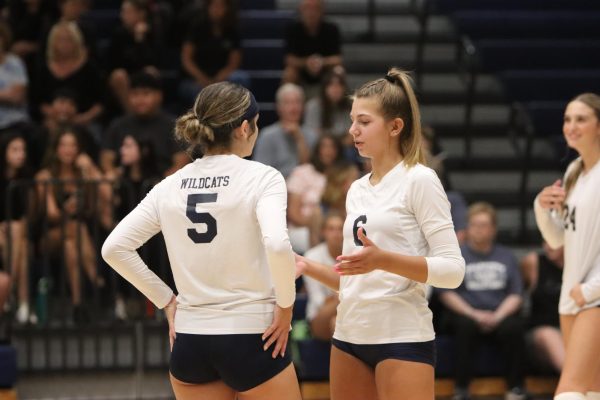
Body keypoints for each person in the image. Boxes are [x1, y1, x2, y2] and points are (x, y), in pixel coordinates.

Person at [102, 82, 302, 400]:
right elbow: (278, 245)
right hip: (252, 335)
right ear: (245, 127)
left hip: (191, 340)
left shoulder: (170, 185)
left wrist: (166, 300)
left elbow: (114, 248)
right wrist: (286, 307)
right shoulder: (263, 177)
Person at [295, 68, 465, 400]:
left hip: (401, 333)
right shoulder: (356, 188)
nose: (352, 130)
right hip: (348, 333)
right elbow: (357, 279)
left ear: (395, 126)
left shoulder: (420, 179)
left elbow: (453, 271)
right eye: (351, 120)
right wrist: (305, 266)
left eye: (363, 121)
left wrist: (384, 260)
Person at [534, 93, 600, 400]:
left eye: (581, 119)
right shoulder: (575, 170)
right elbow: (557, 239)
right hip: (571, 295)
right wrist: (542, 207)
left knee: (569, 392)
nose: (571, 126)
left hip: (593, 295)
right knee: (591, 391)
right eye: (567, 119)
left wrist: (592, 289)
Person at [437, 202, 528, 400]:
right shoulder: (456, 256)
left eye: (483, 225)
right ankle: (461, 389)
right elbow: (446, 293)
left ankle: (516, 388)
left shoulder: (507, 256)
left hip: (499, 313)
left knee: (514, 327)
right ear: (467, 228)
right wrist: (474, 314)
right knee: (464, 326)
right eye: (474, 224)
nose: (478, 229)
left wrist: (498, 316)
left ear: (493, 229)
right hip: (466, 313)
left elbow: (516, 294)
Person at [35, 127, 109, 323]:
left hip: (74, 238)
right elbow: (51, 215)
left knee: (71, 244)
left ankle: (77, 305)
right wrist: (68, 209)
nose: (68, 150)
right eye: (63, 145)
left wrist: (88, 172)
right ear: (56, 148)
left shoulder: (81, 175)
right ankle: (98, 281)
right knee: (74, 229)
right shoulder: (45, 176)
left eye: (73, 145)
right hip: (49, 236)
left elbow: (92, 209)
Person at [101, 71, 187, 176]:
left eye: (146, 93)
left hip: (163, 184)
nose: (140, 100)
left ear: (159, 96)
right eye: (135, 94)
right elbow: (106, 159)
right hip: (124, 185)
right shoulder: (118, 125)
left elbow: (181, 163)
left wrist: (162, 186)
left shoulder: (173, 125)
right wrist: (113, 175)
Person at [179, 0, 250, 107]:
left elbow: (234, 62)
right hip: (196, 79)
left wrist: (219, 79)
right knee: (195, 90)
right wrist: (202, 79)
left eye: (221, 6)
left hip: (223, 77)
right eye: (214, 6)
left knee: (240, 78)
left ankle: (231, 117)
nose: (217, 10)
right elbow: (186, 59)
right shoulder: (196, 27)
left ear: (228, 9)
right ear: (208, 7)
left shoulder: (232, 31)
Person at [286, 134, 344, 253]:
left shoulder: (343, 174)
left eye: (332, 147)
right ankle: (316, 263)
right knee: (317, 213)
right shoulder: (302, 172)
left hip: (335, 226)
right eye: (324, 147)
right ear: (317, 150)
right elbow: (293, 214)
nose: (328, 151)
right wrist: (320, 226)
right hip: (303, 228)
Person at [0, 133, 33, 324]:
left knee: (18, 235)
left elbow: (29, 216)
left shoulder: (27, 179)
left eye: (23, 150)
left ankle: (12, 296)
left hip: (20, 235)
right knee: (14, 237)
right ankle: (21, 302)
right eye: (15, 150)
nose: (20, 154)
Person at [107, 0, 163, 112]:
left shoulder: (151, 32)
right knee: (119, 75)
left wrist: (140, 40)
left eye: (128, 12)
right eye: (123, 12)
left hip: (141, 73)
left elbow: (152, 61)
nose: (123, 16)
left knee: (152, 72)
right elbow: (115, 63)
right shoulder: (118, 33)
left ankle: (153, 114)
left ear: (141, 14)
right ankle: (132, 114)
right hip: (124, 75)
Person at [252, 83, 317, 179]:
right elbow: (260, 171)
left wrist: (299, 138)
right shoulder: (267, 135)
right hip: (275, 187)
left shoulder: (312, 135)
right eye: (288, 103)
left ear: (303, 107)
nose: (293, 108)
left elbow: (311, 172)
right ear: (278, 108)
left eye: (297, 102)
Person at [520, 241, 564, 374]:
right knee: (548, 334)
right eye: (545, 241)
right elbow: (515, 293)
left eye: (554, 241)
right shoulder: (533, 262)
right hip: (539, 333)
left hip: (573, 331)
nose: (548, 246)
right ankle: (577, 384)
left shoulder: (583, 266)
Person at [283, 0, 342, 91]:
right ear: (301, 10)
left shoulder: (331, 29)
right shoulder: (293, 29)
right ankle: (288, 101)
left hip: (324, 71)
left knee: (338, 70)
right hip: (301, 72)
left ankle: (338, 104)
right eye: (307, 8)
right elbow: (289, 59)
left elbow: (337, 59)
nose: (311, 13)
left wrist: (320, 62)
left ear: (322, 11)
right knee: (289, 73)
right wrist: (307, 63)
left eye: (315, 8)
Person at [303, 211, 343, 341]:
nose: (336, 234)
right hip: (319, 315)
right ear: (323, 232)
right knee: (336, 318)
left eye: (340, 229)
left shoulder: (354, 254)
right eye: (331, 229)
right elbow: (318, 300)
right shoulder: (312, 257)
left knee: (337, 322)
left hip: (346, 309)